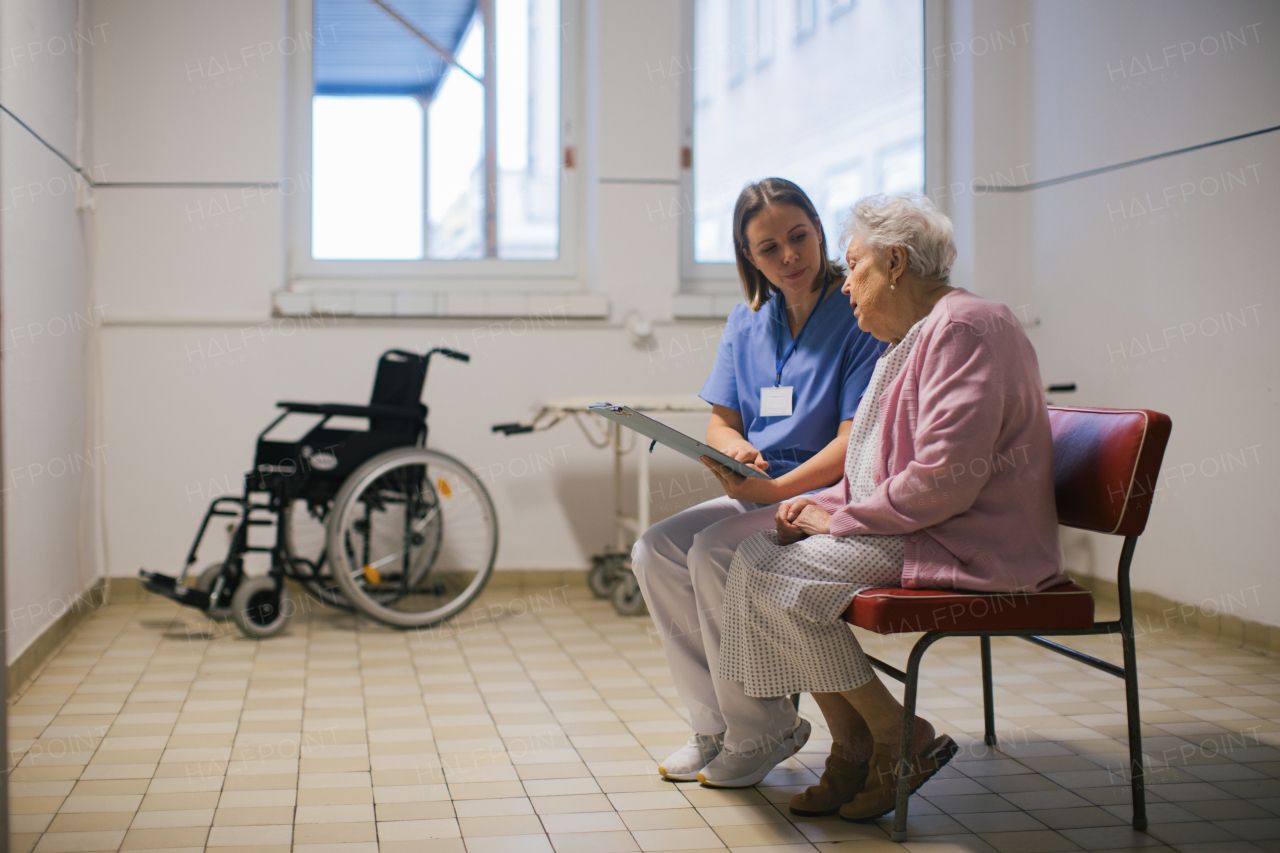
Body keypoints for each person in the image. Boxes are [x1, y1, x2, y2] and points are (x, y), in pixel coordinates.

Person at [710, 193, 1067, 820]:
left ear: (896, 262)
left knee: (777, 579)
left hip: (964, 536)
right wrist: (814, 505)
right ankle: (853, 743)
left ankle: (898, 735)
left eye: (855, 267)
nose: (844, 285)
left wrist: (836, 519)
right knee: (753, 559)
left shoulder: (966, 328)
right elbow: (870, 467)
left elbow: (942, 484)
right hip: (921, 526)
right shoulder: (910, 340)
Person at [631, 178, 883, 788]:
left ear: (820, 231)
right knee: (654, 548)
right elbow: (721, 419)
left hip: (824, 491)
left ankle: (763, 725)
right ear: (749, 258)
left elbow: (854, 440)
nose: (789, 256)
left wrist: (777, 490)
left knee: (715, 549)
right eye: (769, 248)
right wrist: (733, 449)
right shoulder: (747, 320)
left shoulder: (857, 315)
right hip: (763, 486)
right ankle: (714, 725)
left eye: (799, 237)